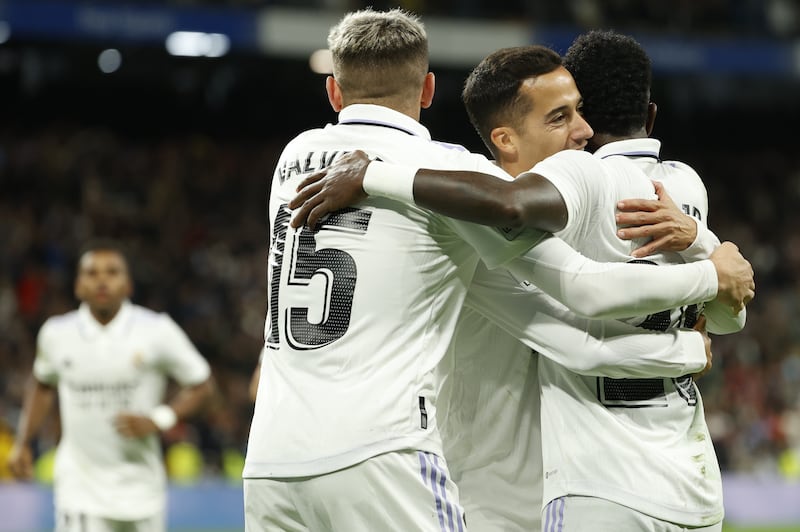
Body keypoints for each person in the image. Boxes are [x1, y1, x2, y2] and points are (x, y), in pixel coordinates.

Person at [244, 8, 754, 531]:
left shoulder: (297, 156)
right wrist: (696, 319)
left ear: (334, 92)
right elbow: (582, 320)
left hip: (274, 455)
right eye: (560, 118)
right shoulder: (459, 195)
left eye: (580, 113)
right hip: (458, 486)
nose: (583, 133)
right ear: (428, 90)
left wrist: (700, 257)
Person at [7, 240, 214, 532]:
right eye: (92, 273)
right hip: (80, 491)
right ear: (78, 285)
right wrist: (24, 441)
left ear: (128, 285)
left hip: (143, 491)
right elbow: (42, 385)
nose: (102, 280)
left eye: (112, 272)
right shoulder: (57, 334)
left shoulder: (156, 330)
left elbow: (203, 385)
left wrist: (159, 418)